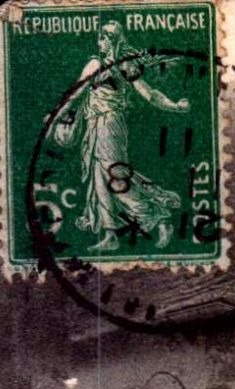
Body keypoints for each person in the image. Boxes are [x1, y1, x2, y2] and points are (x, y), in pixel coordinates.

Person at [58, 22, 192, 251]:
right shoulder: (94, 64)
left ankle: (158, 217)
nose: (99, 42)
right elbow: (75, 94)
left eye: (104, 38)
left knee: (114, 175)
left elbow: (149, 94)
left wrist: (175, 106)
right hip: (93, 124)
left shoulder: (124, 66)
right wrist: (57, 115)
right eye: (99, 38)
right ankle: (110, 234)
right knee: (98, 177)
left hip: (110, 124)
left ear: (114, 40)